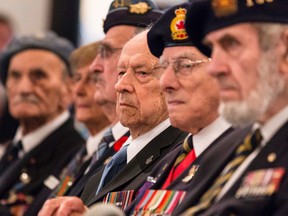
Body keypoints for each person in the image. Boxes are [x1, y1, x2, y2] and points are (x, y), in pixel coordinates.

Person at [39, 29, 187, 216]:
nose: (120, 85)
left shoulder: (182, 153)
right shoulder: (114, 154)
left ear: (170, 83)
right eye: (121, 72)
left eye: (142, 73)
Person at [172, 0, 288, 215]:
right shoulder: (233, 144)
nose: (214, 68)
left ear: (284, 52)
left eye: (231, 44)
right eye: (213, 48)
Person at [120, 3, 233, 215]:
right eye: (164, 67)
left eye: (185, 65)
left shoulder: (241, 151)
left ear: (223, 68)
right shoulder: (171, 161)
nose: (166, 82)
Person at [0, 32, 85, 216]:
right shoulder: (12, 150)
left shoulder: (77, 155)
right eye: (15, 76)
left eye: (38, 76)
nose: (24, 88)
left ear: (69, 88)